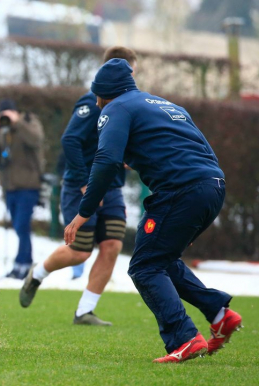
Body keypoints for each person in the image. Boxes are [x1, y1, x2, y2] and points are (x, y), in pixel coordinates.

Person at [64, 58, 243, 363]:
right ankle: (219, 314)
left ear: (107, 92)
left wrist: (84, 212)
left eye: (98, 95)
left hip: (181, 191)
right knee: (162, 258)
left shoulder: (116, 108)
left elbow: (105, 161)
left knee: (144, 267)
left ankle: (184, 338)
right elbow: (195, 148)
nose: (96, 102)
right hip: (212, 185)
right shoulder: (163, 104)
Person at [19, 47, 136, 326]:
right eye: (130, 72)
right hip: (79, 185)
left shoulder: (128, 105)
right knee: (80, 251)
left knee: (112, 245)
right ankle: (37, 274)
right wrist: (85, 183)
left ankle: (84, 310)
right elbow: (70, 140)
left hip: (113, 187)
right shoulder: (92, 102)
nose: (133, 79)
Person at [0, 99, 44, 279]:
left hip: (28, 185)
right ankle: (21, 264)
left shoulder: (28, 122)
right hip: (10, 186)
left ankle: (23, 264)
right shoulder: (3, 131)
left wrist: (18, 122)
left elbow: (36, 140)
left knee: (22, 225)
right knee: (19, 226)